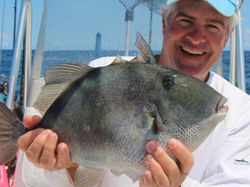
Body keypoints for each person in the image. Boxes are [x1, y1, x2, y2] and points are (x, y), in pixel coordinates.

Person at [15, 0, 250, 186]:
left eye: (213, 26)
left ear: (226, 37)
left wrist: (180, 185)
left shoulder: (242, 113)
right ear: (165, 23)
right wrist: (65, 167)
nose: (197, 37)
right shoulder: (102, 71)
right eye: (185, 20)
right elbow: (30, 180)